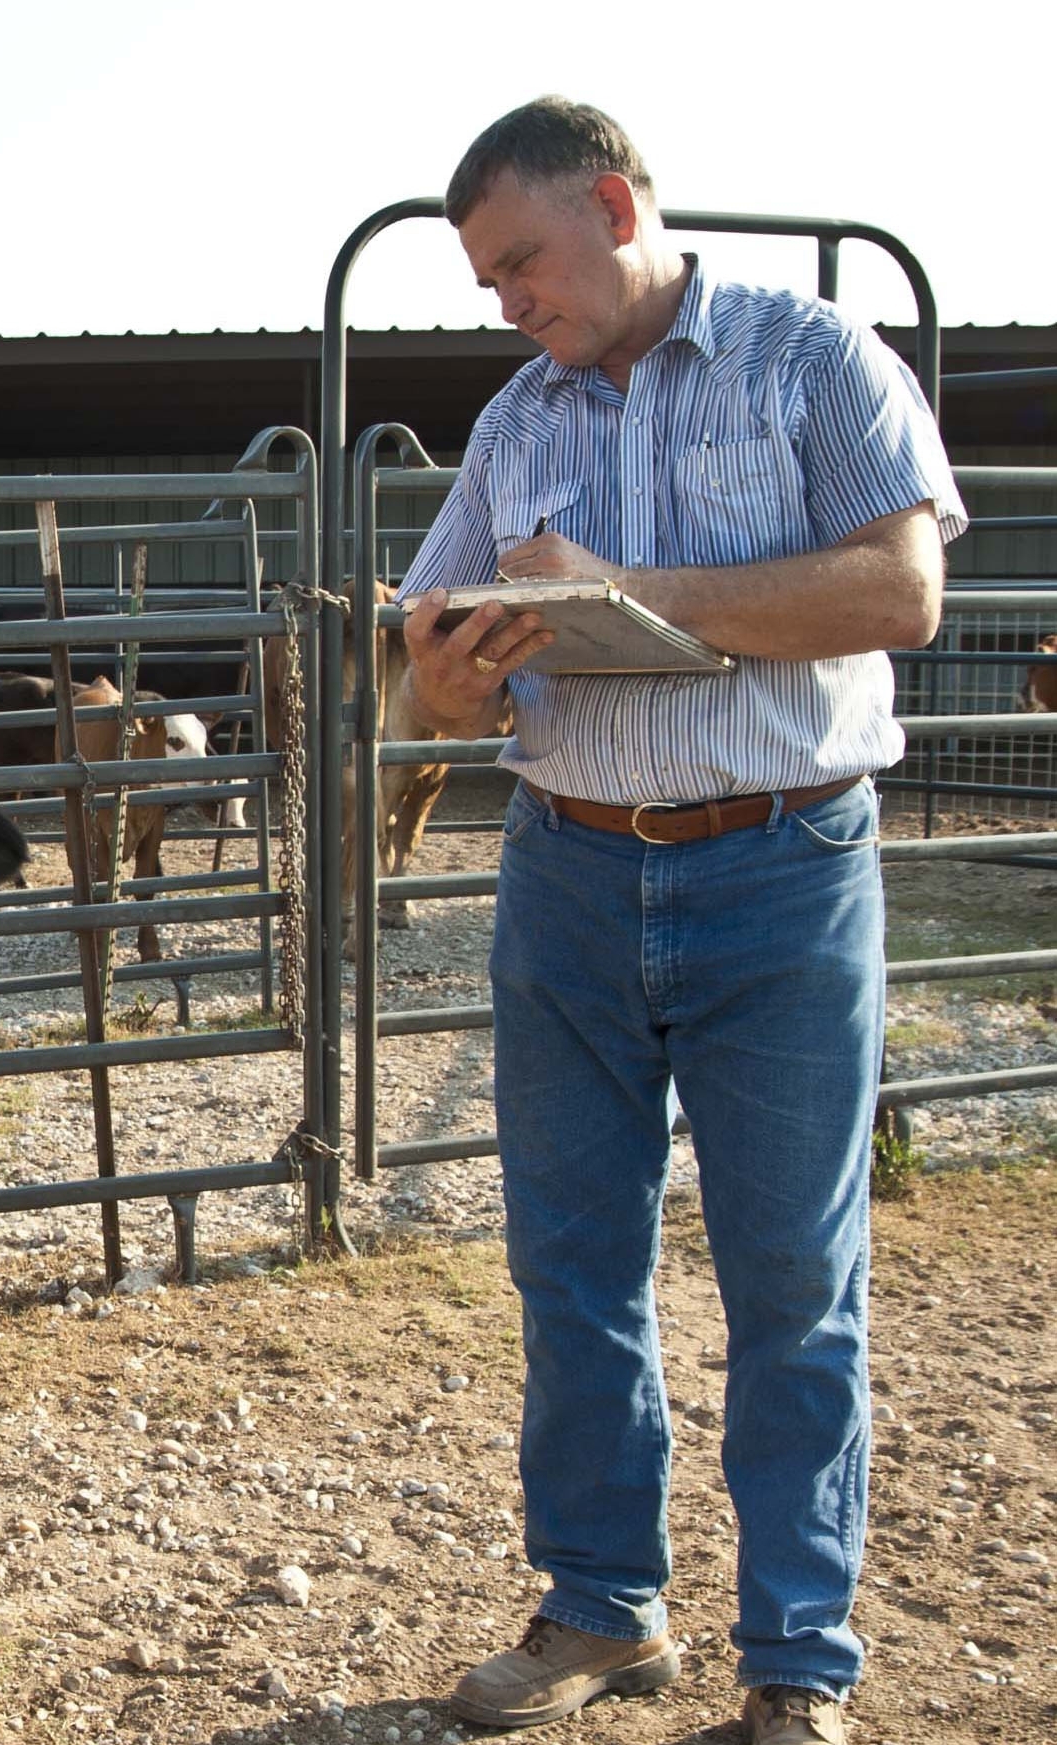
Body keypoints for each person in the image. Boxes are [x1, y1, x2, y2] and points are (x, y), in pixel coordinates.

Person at [395, 98, 961, 1745]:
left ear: (614, 203)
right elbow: (427, 659)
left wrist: (630, 600)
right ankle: (599, 1603)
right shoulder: (514, 418)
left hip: (778, 864)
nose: (505, 301)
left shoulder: (813, 360)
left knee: (791, 1270)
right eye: (485, 277)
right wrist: (440, 665)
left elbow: (896, 594)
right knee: (571, 1264)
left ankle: (797, 1657)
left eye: (519, 261)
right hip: (565, 868)